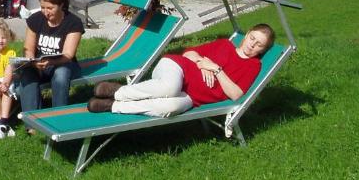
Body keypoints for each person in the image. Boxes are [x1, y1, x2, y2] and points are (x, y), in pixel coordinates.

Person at [88, 24, 275, 116]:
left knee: (169, 107)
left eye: (259, 45)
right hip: (176, 68)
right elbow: (189, 53)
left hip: (192, 99)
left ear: (263, 50)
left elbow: (235, 94)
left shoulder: (253, 66)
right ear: (248, 34)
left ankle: (113, 106)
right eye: (252, 38)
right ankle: (118, 91)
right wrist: (202, 62)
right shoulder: (224, 45)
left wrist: (216, 69)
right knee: (170, 88)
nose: (252, 45)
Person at [16, 0, 84, 118]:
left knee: (61, 74)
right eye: (42, 7)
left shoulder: (73, 23)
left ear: (61, 5)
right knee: (28, 74)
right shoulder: (35, 19)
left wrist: (50, 62)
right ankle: (33, 122)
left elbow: (68, 55)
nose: (46, 12)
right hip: (40, 63)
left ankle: (58, 118)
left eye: (50, 8)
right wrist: (32, 61)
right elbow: (28, 48)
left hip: (64, 64)